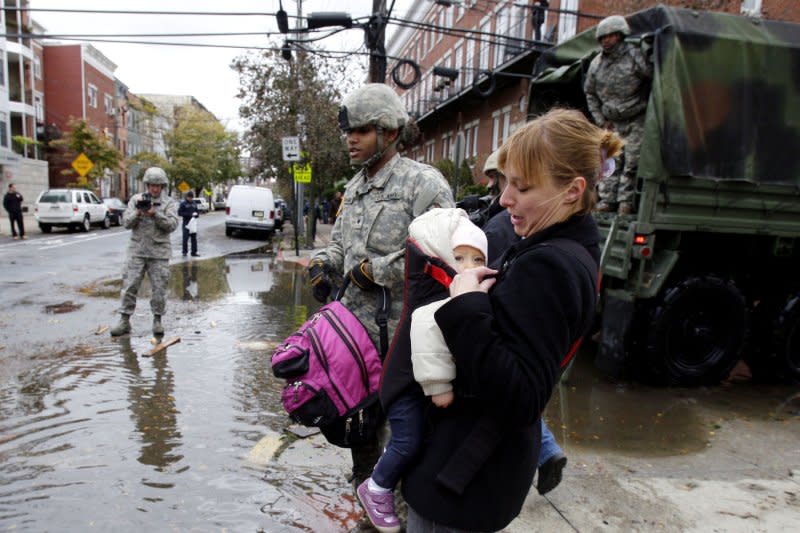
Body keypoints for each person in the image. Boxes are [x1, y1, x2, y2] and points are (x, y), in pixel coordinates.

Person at [400, 108, 617, 532]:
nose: (504, 199)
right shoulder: (554, 245)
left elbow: (520, 397)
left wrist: (465, 304)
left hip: (466, 477)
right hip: (468, 470)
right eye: (506, 183)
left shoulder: (550, 265)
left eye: (522, 186)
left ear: (572, 190)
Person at [307, 83, 454, 519]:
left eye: (362, 131)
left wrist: (379, 270)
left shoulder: (422, 184)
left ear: (389, 133)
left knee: (401, 452)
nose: (350, 140)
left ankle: (402, 515)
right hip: (353, 345)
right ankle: (370, 512)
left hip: (404, 347)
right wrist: (322, 264)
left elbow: (447, 254)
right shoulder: (354, 188)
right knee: (360, 438)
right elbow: (340, 248)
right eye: (348, 132)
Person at [357, 209, 487, 533]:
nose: (468, 267)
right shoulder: (436, 293)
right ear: (443, 253)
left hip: (411, 386)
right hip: (404, 388)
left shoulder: (446, 284)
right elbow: (427, 340)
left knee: (410, 440)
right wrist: (439, 386)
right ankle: (376, 488)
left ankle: (386, 471)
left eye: (476, 260)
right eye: (459, 258)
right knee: (408, 440)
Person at [482, 151, 569, 496]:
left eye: (508, 182)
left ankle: (546, 453)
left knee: (514, 393)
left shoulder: (510, 225)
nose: (500, 192)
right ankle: (547, 453)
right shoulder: (511, 219)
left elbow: (515, 384)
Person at [584, 14, 652, 215]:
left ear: (620, 35)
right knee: (610, 164)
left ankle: (625, 202)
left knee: (631, 162)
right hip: (611, 122)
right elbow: (590, 93)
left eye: (610, 36)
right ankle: (607, 200)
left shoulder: (634, 56)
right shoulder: (596, 64)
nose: (606, 40)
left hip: (635, 118)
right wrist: (600, 120)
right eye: (602, 37)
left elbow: (651, 77)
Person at [110, 167, 179, 337]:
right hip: (137, 251)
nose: (154, 189)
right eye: (151, 185)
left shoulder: (169, 203)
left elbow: (172, 225)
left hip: (159, 253)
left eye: (158, 186)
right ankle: (124, 320)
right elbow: (126, 223)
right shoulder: (136, 200)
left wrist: (156, 214)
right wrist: (138, 213)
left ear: (162, 186)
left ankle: (157, 320)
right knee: (129, 286)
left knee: (159, 289)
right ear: (147, 185)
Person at [178, 190, 200, 257]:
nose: (190, 199)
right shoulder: (183, 204)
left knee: (194, 238)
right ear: (187, 197)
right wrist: (189, 214)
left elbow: (197, 212)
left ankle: (194, 252)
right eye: (189, 197)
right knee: (185, 238)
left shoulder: (194, 203)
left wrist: (196, 215)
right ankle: (184, 252)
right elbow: (179, 213)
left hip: (193, 223)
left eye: (191, 197)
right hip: (186, 223)